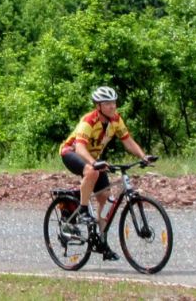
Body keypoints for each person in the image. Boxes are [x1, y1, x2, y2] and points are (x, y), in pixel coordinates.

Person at [58, 85, 154, 235]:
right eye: (108, 103)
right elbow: (80, 148)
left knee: (106, 200)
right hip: (71, 152)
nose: (112, 106)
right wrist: (94, 163)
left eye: (114, 102)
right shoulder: (88, 121)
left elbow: (128, 141)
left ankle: (101, 240)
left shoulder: (116, 120)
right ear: (98, 106)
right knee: (91, 171)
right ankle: (83, 210)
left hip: (92, 158)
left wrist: (143, 156)